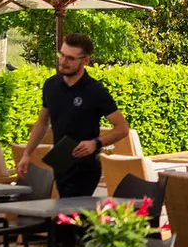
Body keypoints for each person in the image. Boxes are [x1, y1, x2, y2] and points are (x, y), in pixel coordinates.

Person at [16, 33, 131, 198]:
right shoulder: (51, 85)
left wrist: (95, 143)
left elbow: (122, 128)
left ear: (85, 61)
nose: (63, 61)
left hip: (85, 166)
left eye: (70, 58)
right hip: (61, 161)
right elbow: (42, 123)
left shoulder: (95, 91)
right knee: (68, 215)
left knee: (72, 215)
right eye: (61, 55)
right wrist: (27, 154)